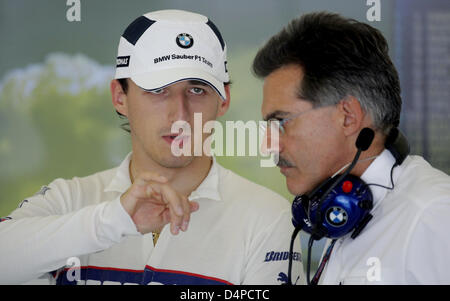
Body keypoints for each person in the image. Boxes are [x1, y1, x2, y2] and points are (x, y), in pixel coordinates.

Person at [0, 9, 303, 285]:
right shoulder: (70, 199)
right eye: (158, 90)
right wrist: (115, 220)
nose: (180, 115)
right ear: (120, 97)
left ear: (223, 100)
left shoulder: (267, 217)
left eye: (196, 90)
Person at [252, 12, 450, 284]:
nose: (269, 144)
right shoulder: (340, 213)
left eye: (282, 122)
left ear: (347, 116)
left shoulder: (434, 215)